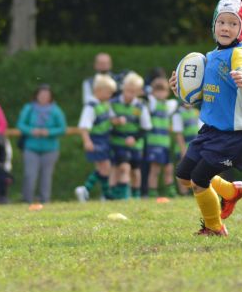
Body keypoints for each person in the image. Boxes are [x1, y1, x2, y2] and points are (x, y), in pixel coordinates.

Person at [170, 0, 242, 236]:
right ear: (214, 26)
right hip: (209, 131)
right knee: (184, 177)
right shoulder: (208, 58)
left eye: (233, 23)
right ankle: (231, 192)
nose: (226, 28)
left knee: (199, 182)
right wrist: (180, 89)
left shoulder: (238, 54)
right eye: (222, 22)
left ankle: (214, 227)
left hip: (233, 136)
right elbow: (199, 96)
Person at [17, 84, 67, 204]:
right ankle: (27, 200)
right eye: (41, 95)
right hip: (31, 147)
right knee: (30, 175)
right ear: (36, 96)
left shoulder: (56, 110)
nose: (44, 97)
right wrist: (31, 130)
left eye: (46, 95)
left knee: (46, 176)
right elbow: (20, 124)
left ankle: (45, 200)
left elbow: (62, 128)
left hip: (50, 148)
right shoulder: (29, 108)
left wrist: (48, 132)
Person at [109, 72, 152, 199]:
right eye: (128, 90)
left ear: (139, 92)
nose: (130, 94)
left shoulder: (140, 106)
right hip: (118, 143)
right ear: (123, 88)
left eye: (133, 92)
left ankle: (136, 196)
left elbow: (146, 127)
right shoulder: (113, 103)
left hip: (135, 144)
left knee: (135, 171)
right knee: (122, 167)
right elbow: (108, 123)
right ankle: (119, 196)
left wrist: (134, 138)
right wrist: (115, 121)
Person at [75, 74, 117, 202]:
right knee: (104, 166)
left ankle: (104, 194)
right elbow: (83, 126)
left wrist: (117, 121)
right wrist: (87, 141)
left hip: (104, 139)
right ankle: (86, 189)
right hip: (96, 139)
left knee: (104, 167)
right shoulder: (91, 106)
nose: (110, 95)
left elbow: (110, 118)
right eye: (109, 92)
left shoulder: (104, 104)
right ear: (98, 91)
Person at [145, 77, 178, 199]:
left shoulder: (168, 105)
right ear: (153, 92)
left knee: (169, 169)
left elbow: (177, 101)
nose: (160, 93)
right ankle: (152, 193)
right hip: (154, 143)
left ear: (167, 92)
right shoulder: (152, 104)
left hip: (165, 143)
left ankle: (171, 191)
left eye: (163, 90)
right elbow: (148, 95)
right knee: (155, 170)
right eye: (157, 90)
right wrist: (150, 90)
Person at [171, 103, 201, 195]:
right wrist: (183, 150)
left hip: (196, 146)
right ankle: (184, 193)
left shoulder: (196, 112)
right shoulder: (178, 113)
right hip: (184, 147)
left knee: (197, 170)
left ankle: (196, 191)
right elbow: (178, 134)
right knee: (183, 171)